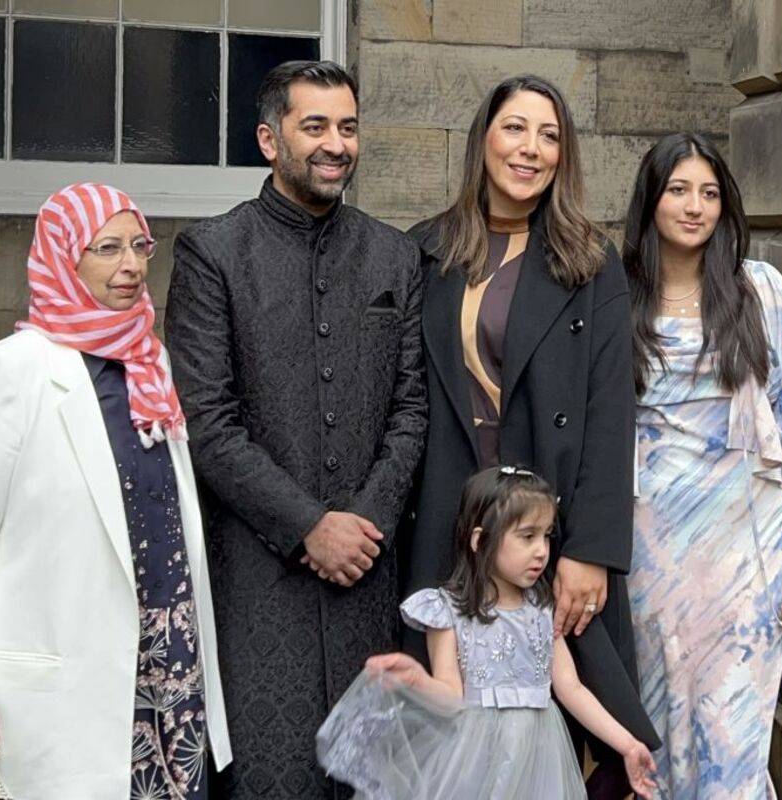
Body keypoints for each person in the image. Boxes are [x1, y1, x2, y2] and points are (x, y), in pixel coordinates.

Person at [164, 60, 427, 799]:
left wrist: (363, 524)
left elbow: (411, 411)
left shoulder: (395, 255)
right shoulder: (213, 253)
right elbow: (207, 423)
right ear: (269, 139)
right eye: (315, 126)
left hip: (368, 586)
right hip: (258, 586)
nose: (336, 144)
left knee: (372, 784)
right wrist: (309, 527)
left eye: (347, 127)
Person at [0, 183, 232, 799]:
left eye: (140, 246)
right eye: (107, 248)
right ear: (65, 256)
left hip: (167, 674)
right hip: (61, 688)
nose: (131, 265)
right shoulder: (11, 371)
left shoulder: (153, 364)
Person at [404, 74, 658, 796]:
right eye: (515, 128)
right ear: (483, 137)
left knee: (591, 725)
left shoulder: (590, 264)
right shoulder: (426, 253)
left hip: (549, 534)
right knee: (443, 739)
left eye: (550, 136)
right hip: (449, 530)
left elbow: (612, 413)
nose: (531, 149)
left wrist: (589, 550)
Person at [622, 132, 782, 797]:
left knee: (735, 732)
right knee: (662, 723)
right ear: (651, 200)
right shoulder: (615, 296)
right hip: (651, 549)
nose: (695, 207)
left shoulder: (759, 290)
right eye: (679, 190)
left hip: (749, 548)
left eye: (709, 193)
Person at [318, 467, 658, 800]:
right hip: (475, 758)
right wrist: (418, 680)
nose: (541, 550)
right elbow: (451, 695)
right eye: (527, 536)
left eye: (545, 536)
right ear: (480, 540)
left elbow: (571, 690)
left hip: (540, 758)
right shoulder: (448, 610)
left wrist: (627, 745)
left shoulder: (542, 610)